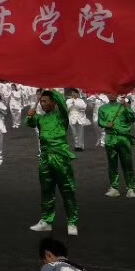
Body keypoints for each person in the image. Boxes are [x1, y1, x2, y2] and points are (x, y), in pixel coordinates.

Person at [26, 90, 79, 237]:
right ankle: (46, 221)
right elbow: (29, 123)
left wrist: (49, 89)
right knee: (46, 190)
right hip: (45, 158)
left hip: (60, 158)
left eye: (45, 101)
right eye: (41, 101)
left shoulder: (61, 117)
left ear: (53, 102)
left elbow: (62, 102)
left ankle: (72, 222)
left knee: (67, 189)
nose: (42, 104)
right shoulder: (41, 119)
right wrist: (30, 115)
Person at [96, 94, 135, 197]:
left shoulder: (123, 106)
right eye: (109, 93)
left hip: (123, 138)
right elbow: (100, 122)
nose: (111, 95)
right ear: (106, 94)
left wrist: (126, 107)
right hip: (110, 138)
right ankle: (114, 187)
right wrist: (107, 124)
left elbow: (132, 119)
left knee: (127, 163)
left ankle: (130, 188)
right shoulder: (102, 108)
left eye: (113, 93)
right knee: (112, 163)